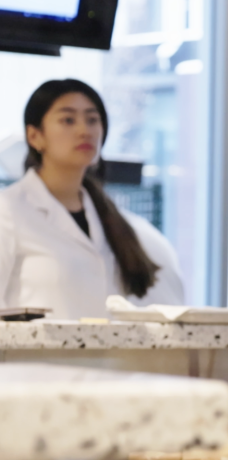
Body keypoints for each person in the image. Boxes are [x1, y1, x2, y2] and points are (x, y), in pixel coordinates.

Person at [0, 79, 184, 318]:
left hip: (104, 354)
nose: (84, 130)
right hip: (32, 356)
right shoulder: (8, 211)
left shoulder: (116, 221)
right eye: (68, 120)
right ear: (35, 136)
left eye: (92, 120)